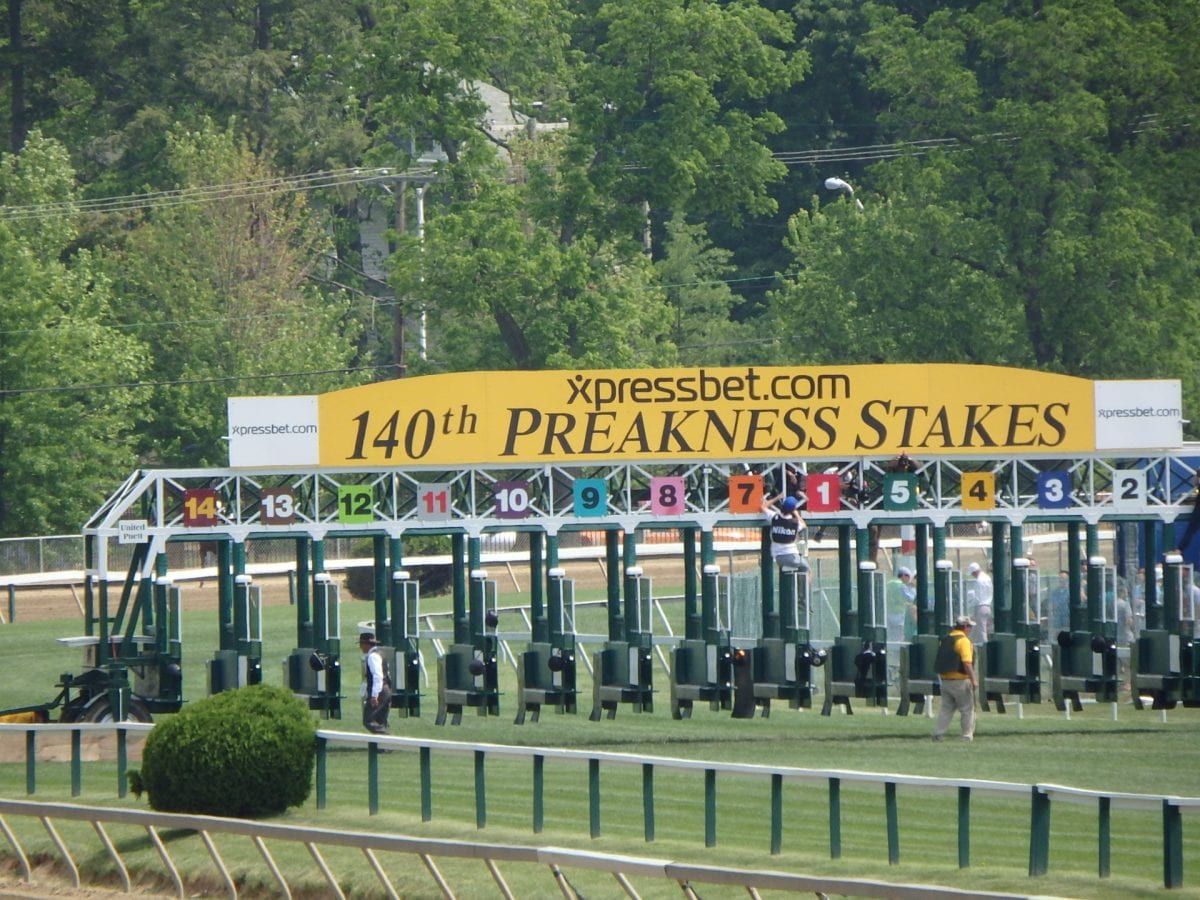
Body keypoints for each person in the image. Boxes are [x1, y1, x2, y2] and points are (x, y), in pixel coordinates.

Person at [933, 615, 978, 742]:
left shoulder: (946, 639)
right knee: (967, 709)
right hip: (960, 681)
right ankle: (966, 735)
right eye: (969, 626)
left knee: (946, 709)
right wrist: (974, 680)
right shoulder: (963, 641)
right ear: (964, 627)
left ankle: (938, 733)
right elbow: (967, 663)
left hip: (945, 681)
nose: (971, 629)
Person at [762, 496, 808, 572]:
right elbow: (804, 525)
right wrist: (796, 514)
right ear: (793, 510)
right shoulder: (795, 523)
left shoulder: (774, 517)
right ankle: (805, 583)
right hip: (793, 557)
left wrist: (777, 497)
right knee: (807, 569)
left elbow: (763, 507)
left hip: (778, 559)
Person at [359, 631, 392, 735]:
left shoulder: (373, 657)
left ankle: (388, 740)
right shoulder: (380, 654)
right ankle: (383, 746)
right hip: (386, 689)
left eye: (361, 644)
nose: (360, 647)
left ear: (366, 644)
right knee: (379, 720)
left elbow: (378, 676)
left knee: (368, 720)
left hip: (380, 690)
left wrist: (374, 696)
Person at [886, 566, 917, 642]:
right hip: (899, 615)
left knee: (891, 637)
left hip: (888, 614)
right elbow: (912, 599)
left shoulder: (889, 583)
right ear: (904, 576)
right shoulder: (901, 586)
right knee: (899, 637)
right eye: (909, 577)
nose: (909, 579)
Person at [967, 562, 993, 638]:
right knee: (977, 629)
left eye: (972, 573)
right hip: (988, 606)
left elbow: (978, 597)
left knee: (981, 630)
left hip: (981, 607)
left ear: (974, 572)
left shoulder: (979, 581)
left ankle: (984, 647)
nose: (972, 575)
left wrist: (970, 604)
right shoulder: (987, 577)